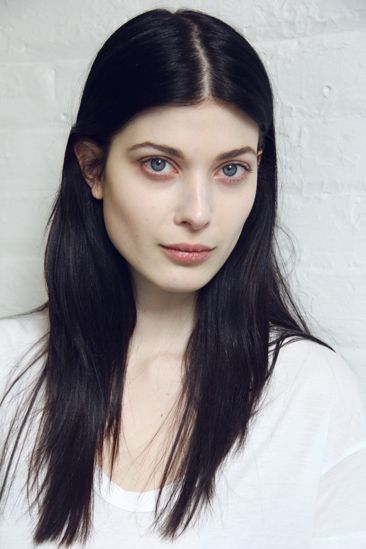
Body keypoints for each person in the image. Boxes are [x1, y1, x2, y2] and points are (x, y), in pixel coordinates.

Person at [0, 7, 365, 549]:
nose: (198, 212)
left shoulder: (311, 392)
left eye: (231, 169)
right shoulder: (8, 365)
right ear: (93, 168)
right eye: (158, 164)